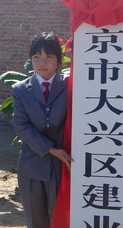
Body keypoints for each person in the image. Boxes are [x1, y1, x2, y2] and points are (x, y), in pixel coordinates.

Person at [12, 32, 73, 228]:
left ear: (58, 59)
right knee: (35, 220)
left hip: (62, 165)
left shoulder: (70, 85)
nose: (42, 63)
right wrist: (50, 149)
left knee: (62, 219)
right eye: (36, 57)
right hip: (32, 163)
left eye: (48, 57)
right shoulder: (21, 89)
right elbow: (21, 126)